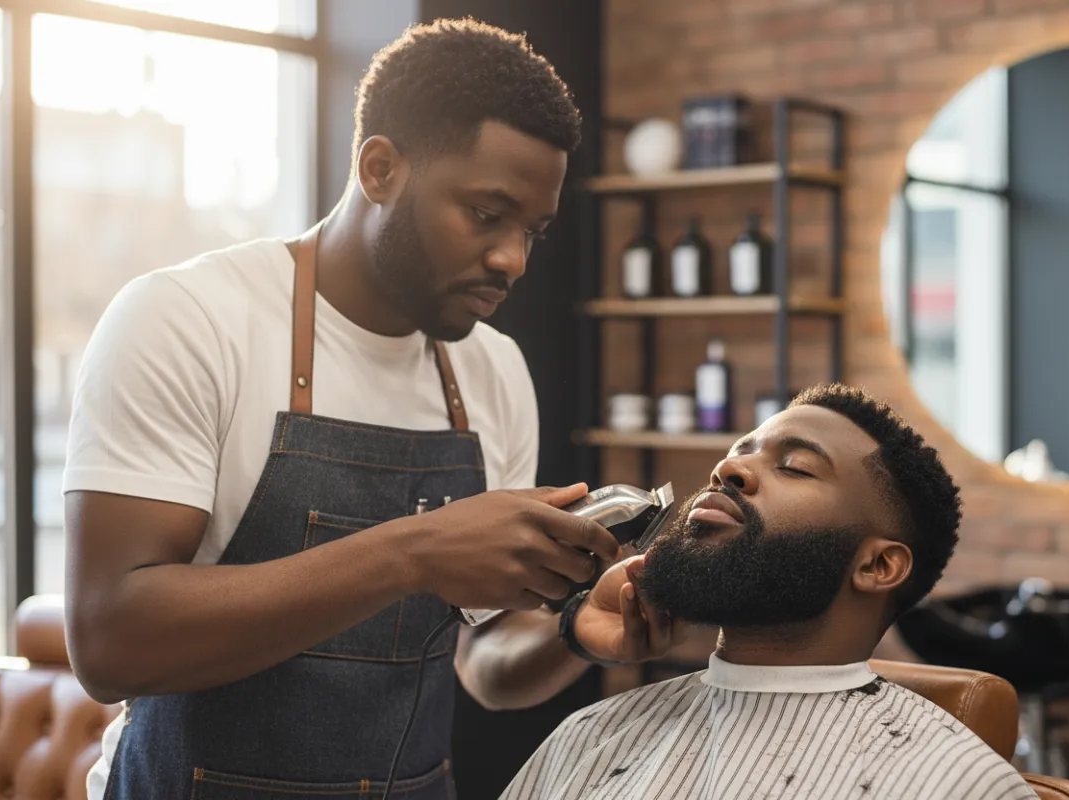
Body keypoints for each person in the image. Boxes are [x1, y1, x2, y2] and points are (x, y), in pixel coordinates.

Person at [62, 19, 684, 800]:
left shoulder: (491, 372)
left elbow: (483, 664)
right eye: (487, 214)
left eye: (533, 230)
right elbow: (110, 641)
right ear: (381, 168)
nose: (513, 260)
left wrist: (575, 634)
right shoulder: (187, 318)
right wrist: (413, 553)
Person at [504, 384, 1040, 800]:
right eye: (740, 452)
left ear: (878, 565)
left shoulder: (955, 785)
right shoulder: (595, 735)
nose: (727, 469)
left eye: (796, 467)